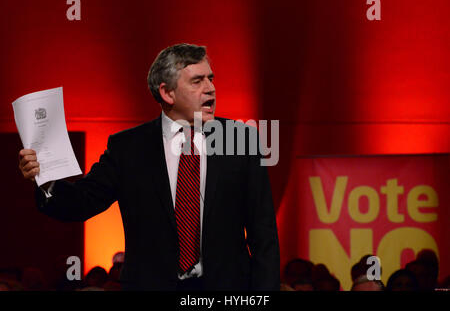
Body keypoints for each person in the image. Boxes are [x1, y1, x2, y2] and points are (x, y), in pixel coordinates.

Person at [18, 43, 280, 291]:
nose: (211, 88)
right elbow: (83, 201)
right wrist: (45, 180)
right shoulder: (128, 148)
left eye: (211, 78)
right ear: (167, 93)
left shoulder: (241, 139)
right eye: (197, 81)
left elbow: (263, 232)